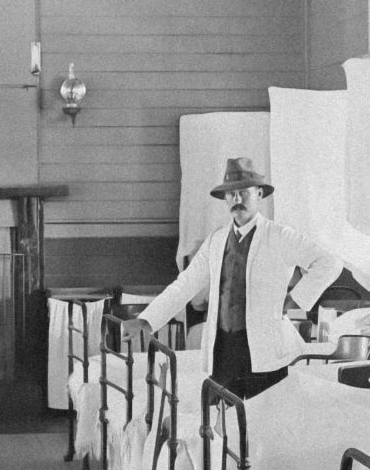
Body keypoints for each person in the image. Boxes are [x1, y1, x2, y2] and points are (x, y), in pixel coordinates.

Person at [128, 157, 342, 398]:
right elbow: (185, 284)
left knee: (264, 416)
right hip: (224, 350)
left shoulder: (279, 236)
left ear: (259, 194)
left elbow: (330, 262)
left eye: (244, 192)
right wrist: (146, 321)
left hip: (265, 351)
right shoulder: (216, 240)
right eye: (231, 194)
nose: (237, 199)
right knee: (221, 417)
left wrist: (296, 299)